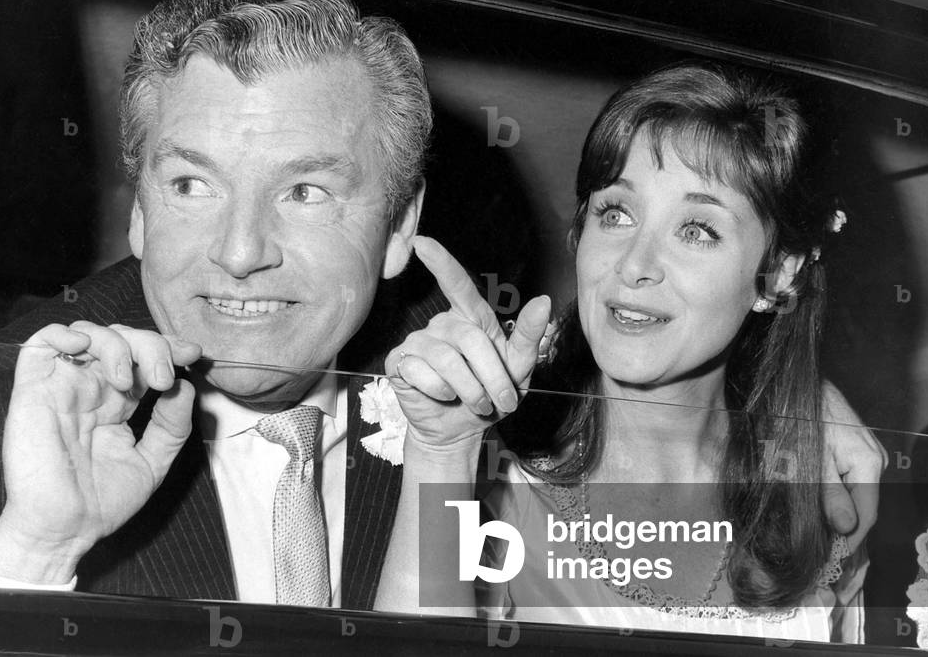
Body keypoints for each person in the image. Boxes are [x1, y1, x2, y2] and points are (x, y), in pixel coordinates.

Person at [0, 0, 444, 610]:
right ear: (140, 211)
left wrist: (446, 464)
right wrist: (38, 548)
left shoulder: (475, 401)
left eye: (304, 192)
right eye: (193, 185)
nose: (241, 253)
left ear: (397, 227)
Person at [375, 61, 887, 641]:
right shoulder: (492, 487)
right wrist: (443, 454)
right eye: (616, 214)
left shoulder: (819, 504)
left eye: (697, 230)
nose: (635, 265)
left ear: (777, 275)